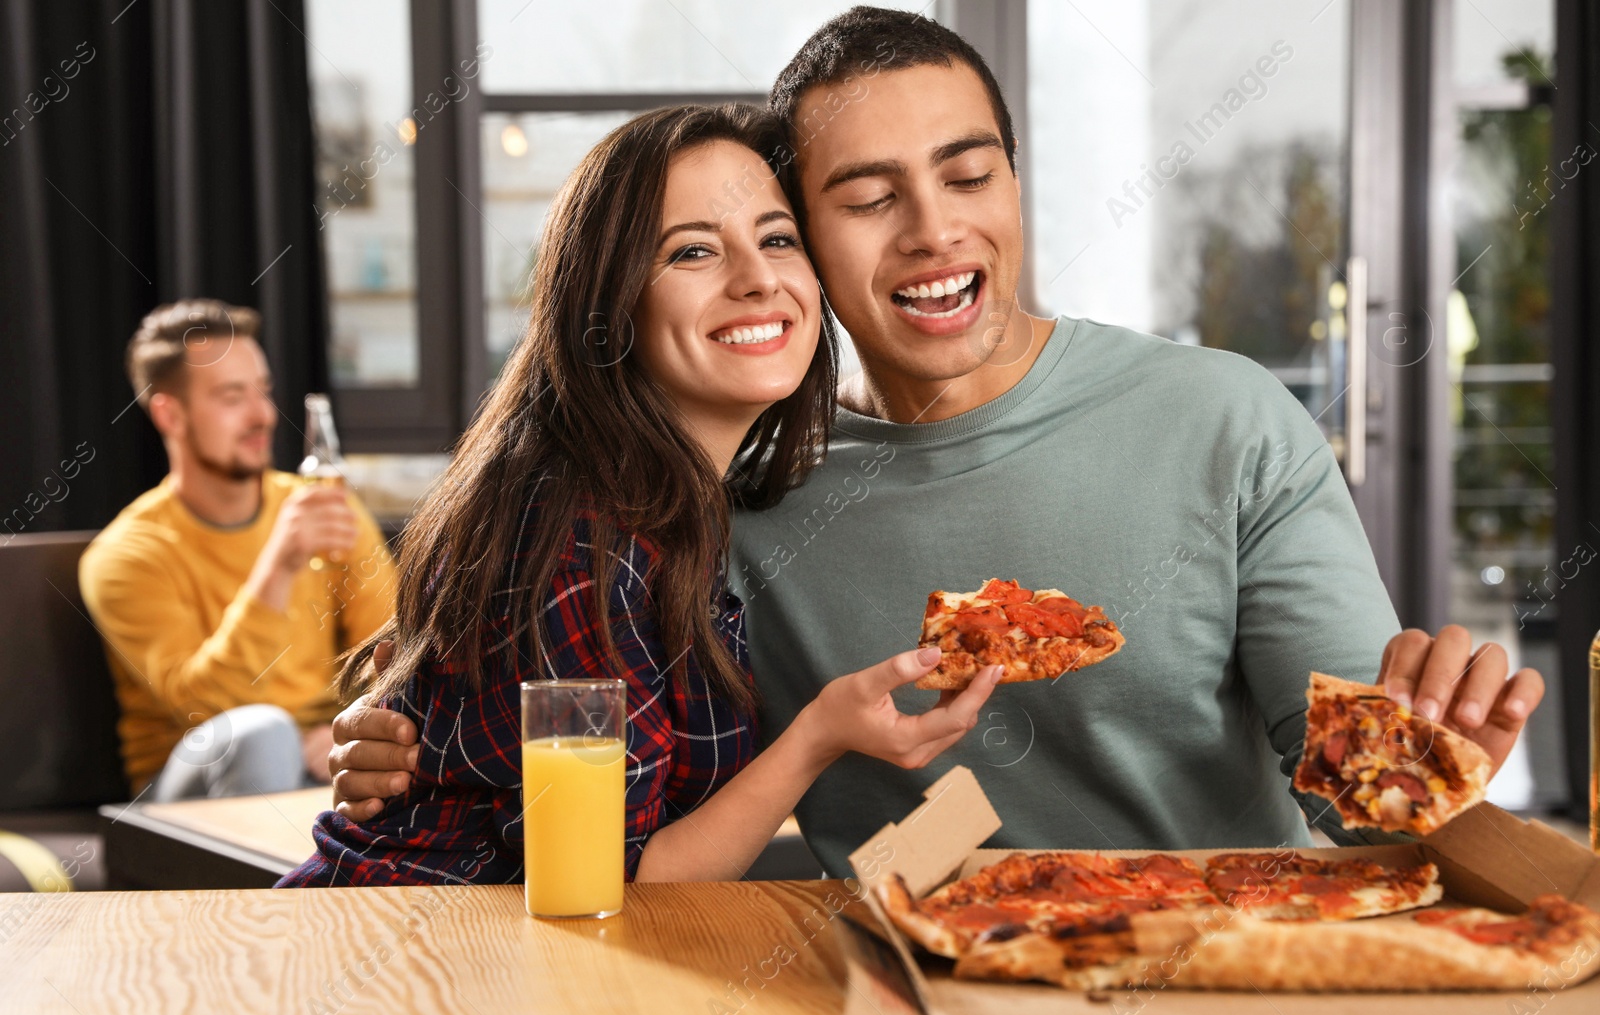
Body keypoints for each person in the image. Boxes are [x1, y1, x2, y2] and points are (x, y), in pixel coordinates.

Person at [328, 9, 1544, 876]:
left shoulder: (1229, 421)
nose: (932, 231)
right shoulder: (732, 493)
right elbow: (532, 691)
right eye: (865, 200)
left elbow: (1361, 808)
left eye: (968, 175)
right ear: (801, 237)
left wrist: (1437, 763)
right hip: (897, 1006)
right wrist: (397, 737)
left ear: (1014, 185)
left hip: (1208, 981)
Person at [277, 103, 998, 888]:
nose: (757, 278)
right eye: (693, 251)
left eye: (777, 238)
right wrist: (819, 736)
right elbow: (609, 881)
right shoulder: (579, 534)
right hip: (420, 967)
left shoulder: (703, 499)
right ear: (610, 302)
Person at [79, 300, 396, 800]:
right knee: (262, 735)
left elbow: (392, 655)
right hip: (185, 786)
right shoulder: (127, 554)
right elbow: (201, 706)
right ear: (169, 412)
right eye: (232, 396)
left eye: (263, 391)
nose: (263, 415)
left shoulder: (324, 508)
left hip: (320, 759)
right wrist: (280, 563)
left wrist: (345, 729)